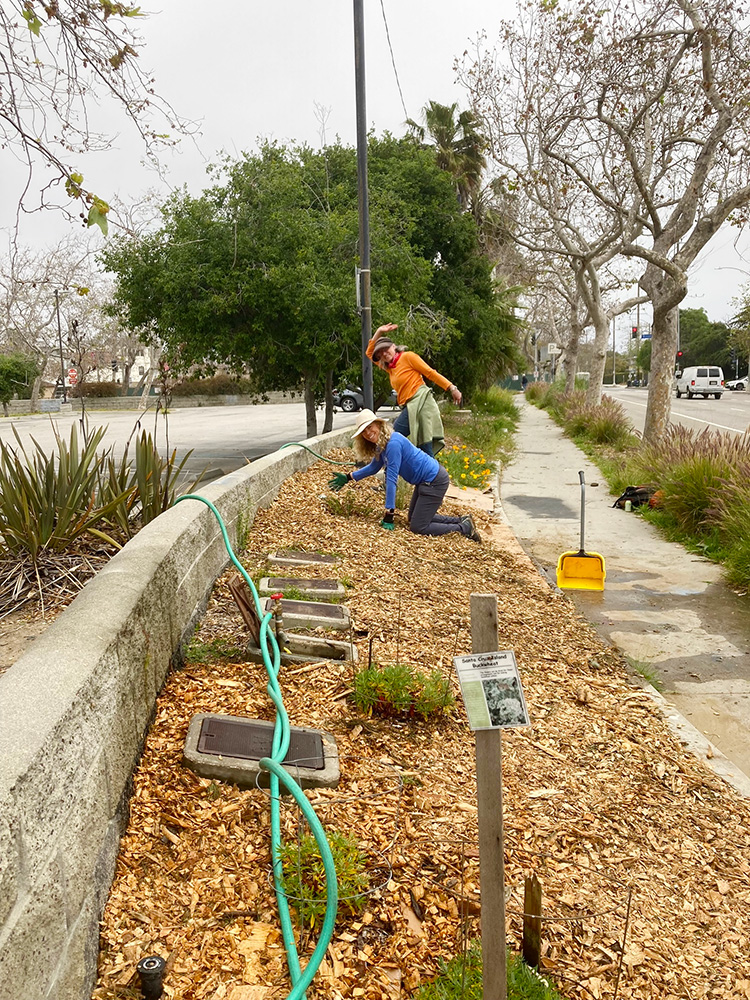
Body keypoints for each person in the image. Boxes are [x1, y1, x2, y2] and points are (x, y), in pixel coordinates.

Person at [329, 409, 481, 541]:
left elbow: (391, 479)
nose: (368, 433)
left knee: (418, 526)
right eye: (364, 431)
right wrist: (349, 477)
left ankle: (464, 528)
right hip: (424, 481)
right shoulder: (382, 445)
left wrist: (389, 513)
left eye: (370, 427)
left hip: (434, 481)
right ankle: (461, 520)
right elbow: (374, 467)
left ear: (379, 425)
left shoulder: (393, 444)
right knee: (413, 518)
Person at [367, 323, 462, 457]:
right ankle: (420, 469)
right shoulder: (389, 368)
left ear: (393, 346)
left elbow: (430, 373)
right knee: (421, 447)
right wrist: (379, 331)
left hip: (421, 402)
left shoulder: (407, 357)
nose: (383, 354)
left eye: (385, 349)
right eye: (380, 353)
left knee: (394, 437)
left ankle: (384, 464)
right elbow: (369, 353)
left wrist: (452, 388)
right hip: (409, 406)